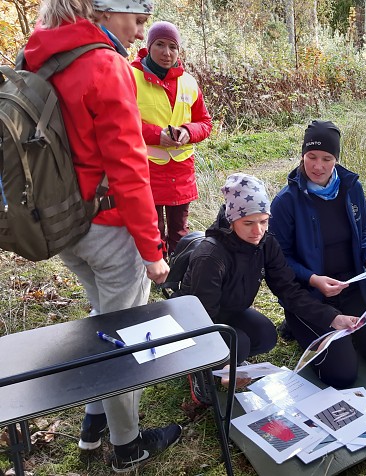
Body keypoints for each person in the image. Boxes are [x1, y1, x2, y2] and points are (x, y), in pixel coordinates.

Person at [22, 0, 180, 471]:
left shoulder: (38, 53)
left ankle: (93, 423)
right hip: (109, 230)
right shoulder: (104, 64)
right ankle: (127, 445)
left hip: (62, 225)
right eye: (136, 20)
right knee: (125, 336)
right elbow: (130, 169)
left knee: (102, 320)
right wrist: (152, 251)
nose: (138, 33)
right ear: (107, 12)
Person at [181, 173, 359, 402]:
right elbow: (202, 319)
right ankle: (200, 369)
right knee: (240, 343)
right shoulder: (211, 256)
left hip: (231, 309)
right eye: (248, 223)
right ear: (231, 219)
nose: (258, 231)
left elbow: (289, 290)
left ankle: (228, 358)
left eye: (264, 221)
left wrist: (332, 318)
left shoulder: (266, 243)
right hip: (196, 322)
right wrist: (226, 364)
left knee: (265, 335)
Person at [269, 120, 366, 389]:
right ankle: (299, 327)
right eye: (311, 157)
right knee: (342, 375)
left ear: (336, 159)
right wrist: (312, 278)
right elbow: (279, 260)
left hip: (353, 285)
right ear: (302, 155)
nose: (317, 166)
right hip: (312, 298)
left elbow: (364, 229)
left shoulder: (351, 187)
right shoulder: (286, 202)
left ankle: (350, 332)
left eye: (326, 158)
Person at [132, 21, 212, 257]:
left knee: (180, 231)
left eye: (172, 47)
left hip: (180, 169)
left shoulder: (189, 81)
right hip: (146, 168)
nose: (166, 53)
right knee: (152, 229)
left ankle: (178, 273)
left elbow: (205, 123)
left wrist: (188, 131)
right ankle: (158, 271)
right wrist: (157, 135)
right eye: (160, 45)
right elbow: (121, 123)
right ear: (148, 46)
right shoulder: (130, 76)